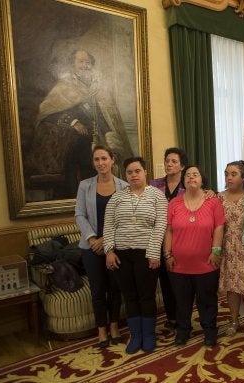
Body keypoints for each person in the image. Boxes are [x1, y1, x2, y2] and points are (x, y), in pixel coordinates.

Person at [27, 49, 134, 198]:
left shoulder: (98, 87)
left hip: (97, 141)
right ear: (73, 64)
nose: (85, 65)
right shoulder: (65, 85)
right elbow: (47, 110)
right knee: (78, 174)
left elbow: (106, 114)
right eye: (80, 61)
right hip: (72, 142)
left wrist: (109, 133)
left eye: (87, 62)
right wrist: (73, 122)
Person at [103, 157, 167, 354]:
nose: (134, 175)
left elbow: (160, 226)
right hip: (122, 254)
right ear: (125, 175)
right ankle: (136, 336)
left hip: (147, 254)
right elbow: (109, 225)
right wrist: (109, 251)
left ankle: (148, 335)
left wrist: (154, 253)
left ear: (145, 172)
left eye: (137, 171)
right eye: (130, 172)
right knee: (129, 296)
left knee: (146, 296)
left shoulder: (157, 196)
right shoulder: (117, 198)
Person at [164, 165, 225, 347]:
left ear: (202, 180)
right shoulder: (174, 203)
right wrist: (167, 254)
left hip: (206, 262)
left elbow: (219, 227)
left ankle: (209, 330)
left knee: (207, 300)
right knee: (182, 301)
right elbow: (168, 230)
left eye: (195, 174)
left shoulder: (213, 202)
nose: (191, 177)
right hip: (179, 264)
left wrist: (216, 251)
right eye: (188, 175)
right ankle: (183, 330)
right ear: (183, 180)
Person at [75, 145, 127, 348]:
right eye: (96, 159)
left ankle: (114, 326)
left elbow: (124, 218)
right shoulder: (84, 186)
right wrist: (91, 239)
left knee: (115, 288)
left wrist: (106, 239)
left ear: (112, 160)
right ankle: (101, 330)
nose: (100, 163)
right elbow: (79, 214)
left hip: (115, 245)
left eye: (104, 158)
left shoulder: (124, 186)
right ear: (93, 163)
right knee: (97, 290)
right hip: (90, 247)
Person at [149, 147, 188, 330]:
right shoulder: (154, 185)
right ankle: (172, 318)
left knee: (180, 282)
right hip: (157, 238)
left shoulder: (188, 184)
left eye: (173, 161)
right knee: (164, 280)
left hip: (181, 239)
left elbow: (202, 197)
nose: (169, 164)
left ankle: (183, 318)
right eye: (167, 161)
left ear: (182, 166)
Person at [218, 161, 244, 338]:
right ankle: (234, 320)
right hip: (226, 248)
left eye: (233, 174)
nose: (229, 177)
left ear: (243, 177)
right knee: (231, 287)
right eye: (227, 173)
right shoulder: (218, 198)